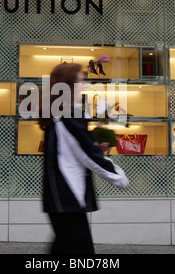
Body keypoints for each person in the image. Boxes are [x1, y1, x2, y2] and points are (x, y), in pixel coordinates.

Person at [39, 63, 129, 254]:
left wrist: (94, 145)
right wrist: (118, 177)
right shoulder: (68, 114)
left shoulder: (59, 113)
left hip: (62, 198)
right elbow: (88, 154)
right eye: (81, 81)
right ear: (68, 86)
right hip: (68, 197)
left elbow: (74, 149)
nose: (85, 86)